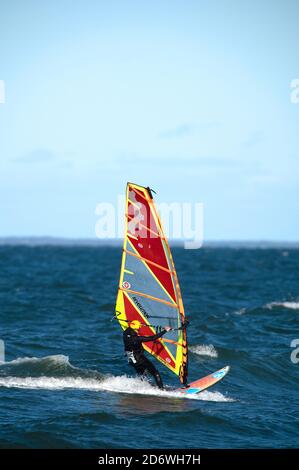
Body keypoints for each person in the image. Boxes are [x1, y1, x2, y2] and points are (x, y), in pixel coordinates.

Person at [123, 319, 172, 390]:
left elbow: (130, 327)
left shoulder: (125, 333)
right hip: (139, 358)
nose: (139, 329)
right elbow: (153, 338)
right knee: (155, 373)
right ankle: (161, 390)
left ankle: (144, 388)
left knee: (141, 374)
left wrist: (131, 322)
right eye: (139, 328)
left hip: (130, 359)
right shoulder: (138, 338)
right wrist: (165, 330)